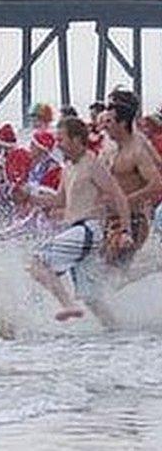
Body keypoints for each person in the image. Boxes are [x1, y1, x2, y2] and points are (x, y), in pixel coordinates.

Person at [26, 117, 131, 328]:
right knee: (91, 297)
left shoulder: (92, 164)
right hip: (78, 231)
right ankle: (118, 332)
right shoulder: (68, 167)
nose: (58, 144)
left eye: (61, 139)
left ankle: (67, 305)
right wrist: (30, 198)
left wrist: (125, 230)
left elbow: (118, 196)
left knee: (37, 263)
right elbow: (60, 200)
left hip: (88, 230)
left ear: (76, 139)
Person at [98, 91, 162, 285]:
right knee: (102, 269)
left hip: (132, 220)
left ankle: (149, 278)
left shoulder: (139, 146)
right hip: (108, 218)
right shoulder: (110, 145)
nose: (104, 123)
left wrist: (128, 200)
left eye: (110, 118)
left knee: (106, 270)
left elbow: (157, 182)